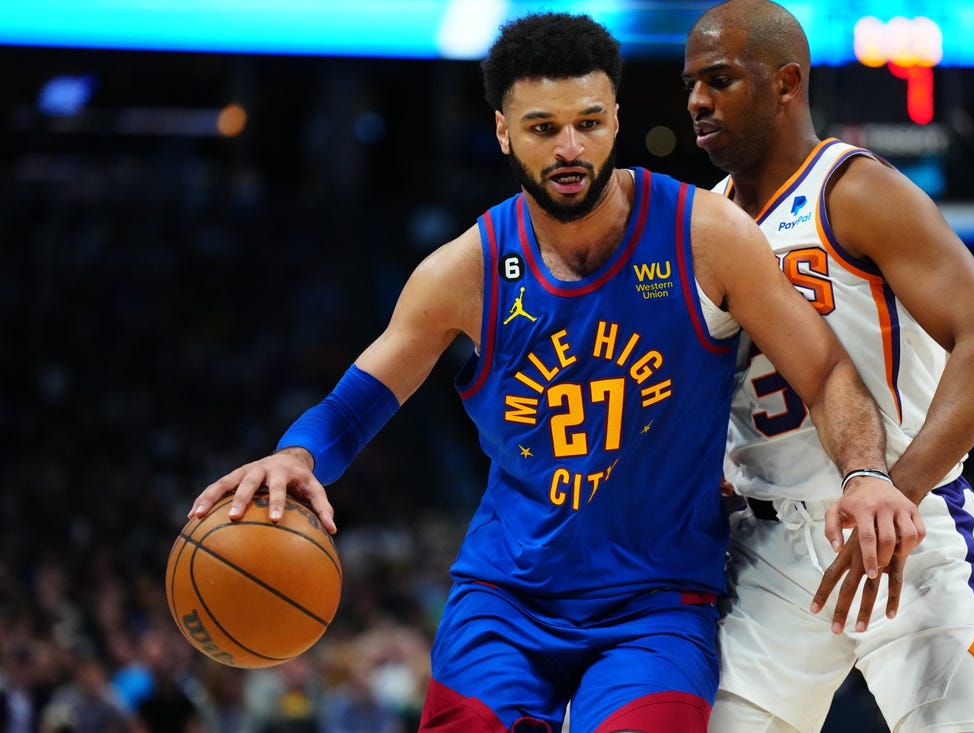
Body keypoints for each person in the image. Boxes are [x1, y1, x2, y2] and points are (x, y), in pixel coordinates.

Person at [190, 12, 916, 733]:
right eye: (543, 128)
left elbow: (824, 372)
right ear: (505, 131)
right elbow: (354, 408)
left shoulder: (704, 234)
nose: (571, 147)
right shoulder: (464, 272)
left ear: (616, 120)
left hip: (657, 605)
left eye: (590, 122)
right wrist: (296, 453)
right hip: (507, 598)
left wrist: (865, 473)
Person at [681, 2, 974, 732]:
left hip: (909, 530)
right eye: (690, 83)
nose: (695, 100)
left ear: (786, 84)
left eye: (719, 79)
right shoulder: (705, 225)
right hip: (770, 549)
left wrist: (892, 493)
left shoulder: (852, 189)